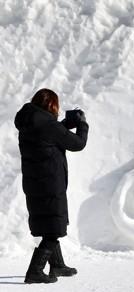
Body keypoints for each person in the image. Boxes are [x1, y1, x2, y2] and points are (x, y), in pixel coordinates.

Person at [14, 88, 89, 284]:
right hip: (50, 183)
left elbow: (53, 135)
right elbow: (77, 144)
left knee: (49, 223)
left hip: (35, 183)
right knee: (54, 228)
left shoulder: (30, 123)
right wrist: (82, 124)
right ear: (51, 105)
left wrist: (65, 125)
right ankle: (35, 271)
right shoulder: (47, 126)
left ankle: (57, 265)